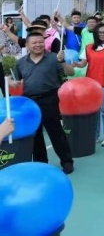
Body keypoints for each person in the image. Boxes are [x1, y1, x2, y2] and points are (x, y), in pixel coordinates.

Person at [9, 33, 76, 173]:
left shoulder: (54, 58)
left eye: (40, 42)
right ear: (27, 45)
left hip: (49, 99)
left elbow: (71, 73)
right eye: (34, 42)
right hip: (29, 101)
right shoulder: (21, 62)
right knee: (36, 134)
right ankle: (41, 163)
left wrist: (63, 61)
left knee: (56, 132)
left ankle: (67, 161)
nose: (38, 45)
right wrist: (12, 82)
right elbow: (14, 80)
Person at [74, 23, 104, 146]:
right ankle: (95, 135)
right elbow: (83, 63)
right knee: (94, 110)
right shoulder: (88, 47)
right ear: (95, 34)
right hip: (91, 83)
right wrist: (75, 64)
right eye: (100, 32)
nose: (102, 34)